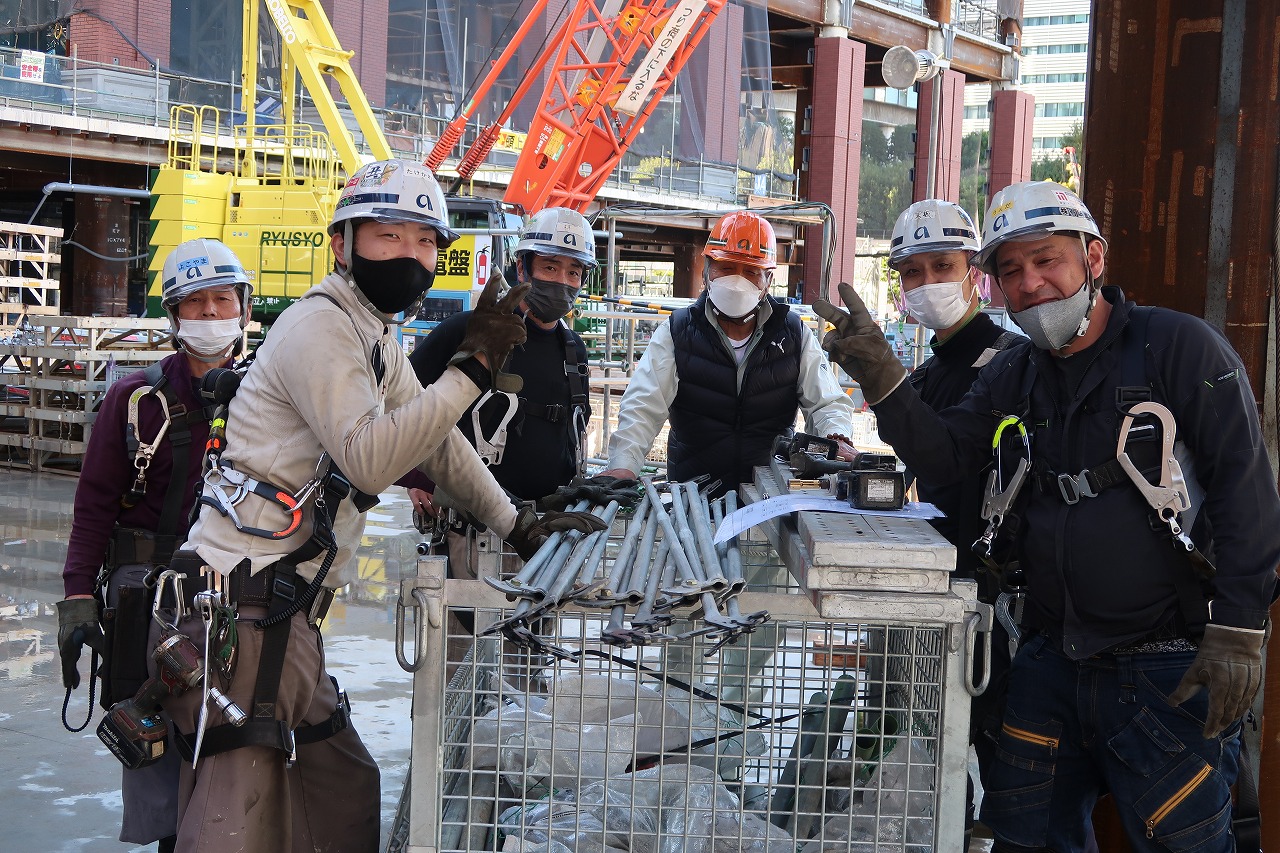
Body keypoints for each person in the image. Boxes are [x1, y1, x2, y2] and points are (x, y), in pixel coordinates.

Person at [150, 159, 604, 852]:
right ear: (343, 243)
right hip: (239, 616)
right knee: (234, 823)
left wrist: (519, 523)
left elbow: (441, 442)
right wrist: (473, 369)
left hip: (287, 612)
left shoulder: (376, 336)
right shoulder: (319, 328)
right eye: (388, 235)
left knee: (342, 791)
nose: (411, 255)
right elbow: (371, 456)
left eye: (425, 241)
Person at [815, 181, 1280, 852]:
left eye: (1046, 260)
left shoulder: (1176, 349)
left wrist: (1238, 626)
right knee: (1025, 838)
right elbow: (947, 457)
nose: (1029, 282)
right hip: (1052, 661)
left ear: (1094, 258)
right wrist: (883, 375)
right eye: (1011, 270)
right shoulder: (1018, 372)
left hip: (1168, 667)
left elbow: (1247, 490)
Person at [56, 238, 253, 853]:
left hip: (235, 596)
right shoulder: (135, 401)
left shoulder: (266, 397)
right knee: (157, 743)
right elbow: (92, 507)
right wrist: (78, 604)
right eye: (196, 304)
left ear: (245, 308)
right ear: (173, 317)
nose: (213, 314)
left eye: (224, 299)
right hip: (146, 601)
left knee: (236, 740)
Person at [888, 199, 1025, 839]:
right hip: (936, 576)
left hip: (987, 588)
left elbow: (950, 454)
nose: (927, 284)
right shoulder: (933, 368)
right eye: (912, 272)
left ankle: (985, 833)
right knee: (944, 729)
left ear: (974, 270)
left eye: (942, 265)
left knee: (994, 735)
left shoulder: (1004, 362)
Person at [601, 210, 856, 495]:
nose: (737, 282)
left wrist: (836, 437)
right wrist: (624, 463)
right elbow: (642, 408)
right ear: (707, 270)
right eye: (727, 267)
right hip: (693, 498)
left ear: (768, 280)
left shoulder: (793, 335)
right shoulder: (677, 332)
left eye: (750, 272)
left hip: (769, 498)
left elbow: (826, 403)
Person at [407, 206, 597, 506]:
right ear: (522, 268)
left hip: (548, 526)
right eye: (550, 267)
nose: (562, 281)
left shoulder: (574, 350)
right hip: (472, 522)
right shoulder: (467, 330)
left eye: (573, 272)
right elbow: (402, 398)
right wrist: (418, 478)